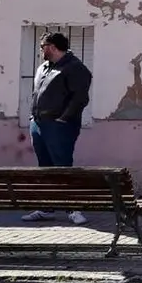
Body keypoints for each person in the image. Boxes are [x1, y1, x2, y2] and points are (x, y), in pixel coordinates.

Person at [21, 32, 93, 225]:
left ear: (52, 47)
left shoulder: (74, 68)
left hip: (59, 126)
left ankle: (73, 209)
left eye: (43, 46)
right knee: (44, 167)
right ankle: (47, 207)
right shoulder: (43, 68)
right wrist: (32, 118)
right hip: (38, 123)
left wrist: (63, 119)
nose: (41, 50)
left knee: (62, 166)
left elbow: (80, 98)